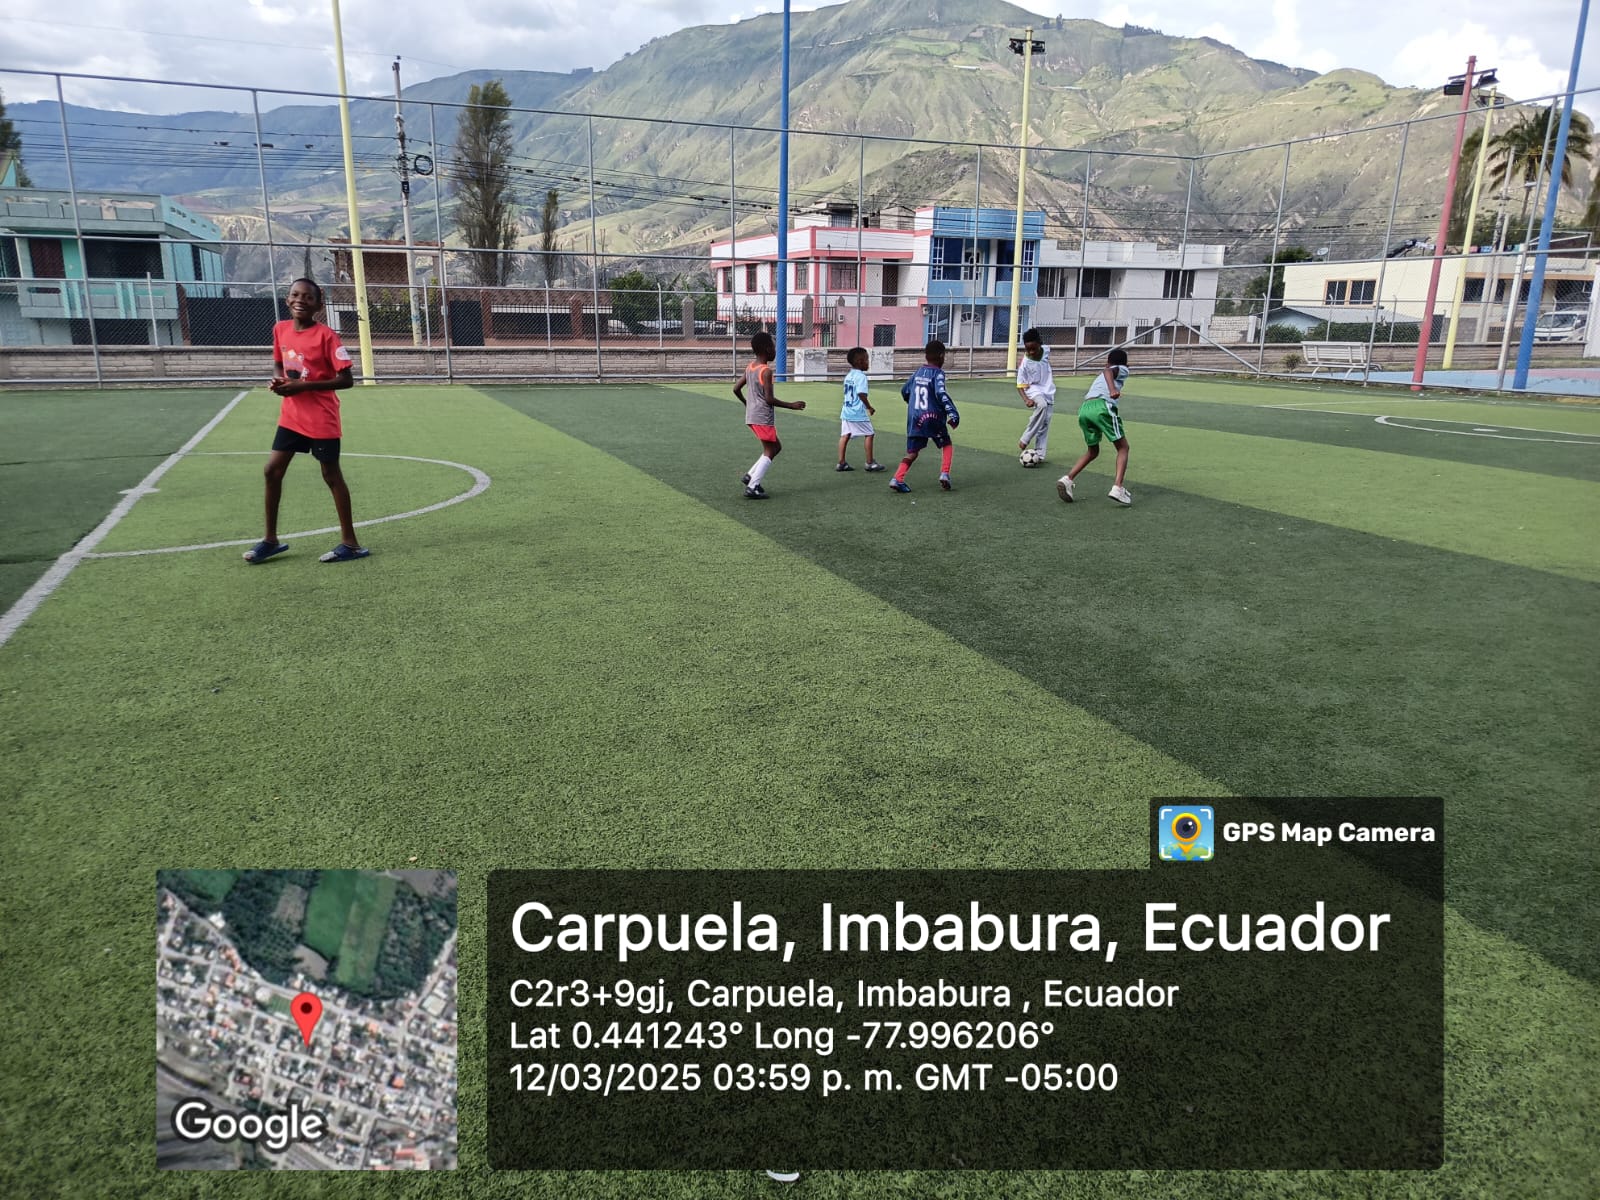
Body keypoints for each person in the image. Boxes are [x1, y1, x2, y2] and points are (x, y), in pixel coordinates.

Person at [243, 277, 369, 563]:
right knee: (272, 471)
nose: (300, 300)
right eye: (295, 295)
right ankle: (270, 540)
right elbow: (279, 363)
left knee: (331, 476)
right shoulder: (280, 329)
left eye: (308, 297)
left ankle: (350, 544)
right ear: (287, 299)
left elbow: (346, 380)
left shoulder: (327, 337)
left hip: (321, 419)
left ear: (318, 306)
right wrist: (279, 380)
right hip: (291, 417)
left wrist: (303, 386)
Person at [733, 330, 806, 499]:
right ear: (767, 349)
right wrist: (791, 405)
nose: (775, 350)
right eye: (773, 347)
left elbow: (735, 389)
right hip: (762, 417)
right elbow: (769, 399)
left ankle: (750, 475)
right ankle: (753, 486)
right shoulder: (765, 371)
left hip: (752, 416)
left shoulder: (750, 367)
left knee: (775, 447)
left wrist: (746, 403)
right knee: (771, 450)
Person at [1057, 348, 1132, 506]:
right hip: (1102, 406)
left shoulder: (1103, 374)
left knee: (1093, 451)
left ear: (1107, 361)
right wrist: (1112, 389)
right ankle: (1118, 488)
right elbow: (1108, 371)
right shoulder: (1121, 369)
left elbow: (1106, 371)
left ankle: (1068, 479)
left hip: (1085, 408)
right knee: (1123, 447)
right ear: (1126, 365)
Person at [889, 339, 960, 493]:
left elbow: (904, 391)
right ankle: (945, 473)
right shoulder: (938, 374)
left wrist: (912, 404)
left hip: (915, 418)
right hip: (933, 417)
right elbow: (941, 393)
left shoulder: (918, 372)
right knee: (946, 443)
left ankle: (897, 478)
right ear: (942, 356)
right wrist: (953, 412)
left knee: (912, 452)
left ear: (926, 356)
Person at [836, 346, 884, 472]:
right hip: (857, 412)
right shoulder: (861, 377)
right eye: (866, 360)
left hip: (846, 411)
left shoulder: (849, 375)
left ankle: (841, 462)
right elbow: (861, 394)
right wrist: (869, 407)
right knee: (869, 433)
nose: (868, 362)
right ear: (860, 362)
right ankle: (870, 462)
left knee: (845, 435)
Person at [1015, 328, 1056, 460]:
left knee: (1045, 422)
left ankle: (1039, 454)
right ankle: (1026, 438)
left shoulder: (1046, 350)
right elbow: (1020, 385)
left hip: (1048, 389)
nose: (1031, 352)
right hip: (1033, 388)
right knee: (1042, 405)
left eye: (1034, 348)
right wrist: (1026, 399)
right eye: (1028, 349)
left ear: (1040, 344)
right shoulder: (1025, 363)